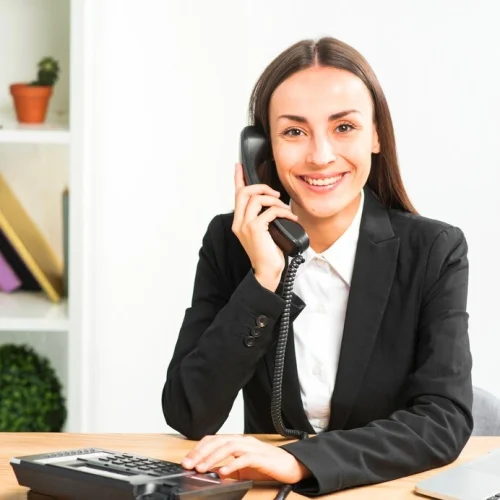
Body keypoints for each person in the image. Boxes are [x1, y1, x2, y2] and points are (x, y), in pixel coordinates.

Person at [161, 36, 473, 497]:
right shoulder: (230, 243)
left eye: (344, 127)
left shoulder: (433, 249)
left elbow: (443, 420)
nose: (321, 156)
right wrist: (264, 276)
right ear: (261, 149)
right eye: (294, 131)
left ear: (376, 136)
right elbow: (189, 413)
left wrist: (298, 462)